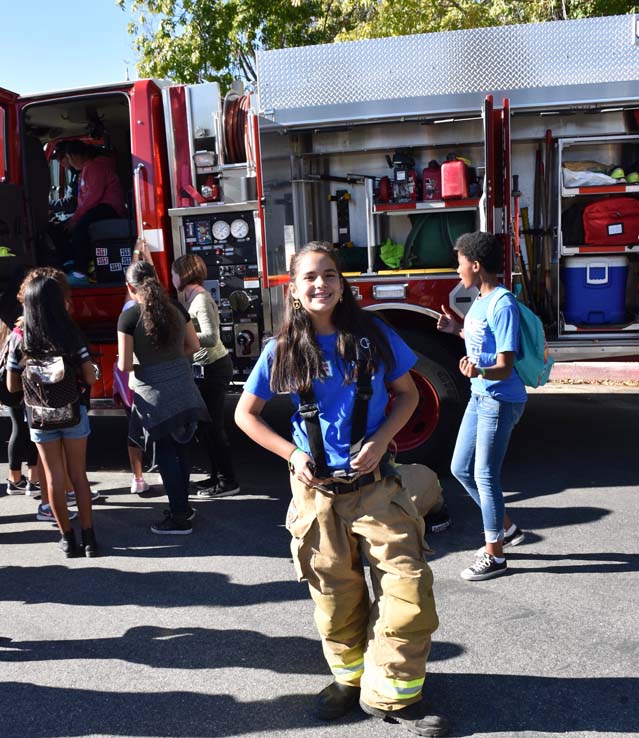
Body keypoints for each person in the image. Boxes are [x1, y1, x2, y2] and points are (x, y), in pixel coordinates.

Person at [235, 242, 448, 737]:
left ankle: (392, 694)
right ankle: (349, 679)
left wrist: (380, 440)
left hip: (377, 489)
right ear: (294, 288)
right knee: (335, 597)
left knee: (407, 591)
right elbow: (245, 415)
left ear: (342, 283)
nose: (321, 285)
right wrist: (292, 454)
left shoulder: (374, 336)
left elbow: (409, 394)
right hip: (316, 497)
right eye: (310, 277)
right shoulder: (281, 350)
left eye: (329, 275)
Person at [437, 231, 527, 582]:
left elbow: (505, 364)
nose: (457, 269)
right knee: (460, 468)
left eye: (460, 263)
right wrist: (455, 330)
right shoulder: (480, 298)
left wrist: (480, 369)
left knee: (484, 475)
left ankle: (496, 555)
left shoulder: (503, 303)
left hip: (500, 398)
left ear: (476, 265)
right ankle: (507, 528)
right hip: (480, 395)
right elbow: (479, 340)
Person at [7, 275, 99, 557]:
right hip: (72, 412)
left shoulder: (20, 337)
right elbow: (89, 378)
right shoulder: (69, 333)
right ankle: (89, 539)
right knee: (78, 476)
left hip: (39, 417)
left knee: (53, 476)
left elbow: (11, 386)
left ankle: (67, 540)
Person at [117, 260, 208, 534]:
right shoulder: (177, 308)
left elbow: (123, 364)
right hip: (184, 388)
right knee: (182, 449)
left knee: (166, 454)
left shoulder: (129, 317)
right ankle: (184, 507)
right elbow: (194, 344)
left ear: (130, 287)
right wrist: (171, 360)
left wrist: (149, 361)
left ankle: (179, 516)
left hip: (154, 396)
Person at [171, 253, 239, 498]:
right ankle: (216, 476)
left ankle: (227, 481)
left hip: (213, 368)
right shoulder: (191, 297)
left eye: (174, 272)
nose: (172, 277)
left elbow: (211, 337)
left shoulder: (200, 299)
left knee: (214, 427)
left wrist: (180, 339)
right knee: (207, 428)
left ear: (184, 273)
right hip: (204, 369)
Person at [64, 140, 125, 286]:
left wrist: (75, 219)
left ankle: (80, 272)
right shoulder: (89, 168)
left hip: (109, 208)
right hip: (102, 206)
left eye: (69, 158)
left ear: (73, 156)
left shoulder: (95, 168)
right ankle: (75, 264)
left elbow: (92, 198)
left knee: (80, 229)